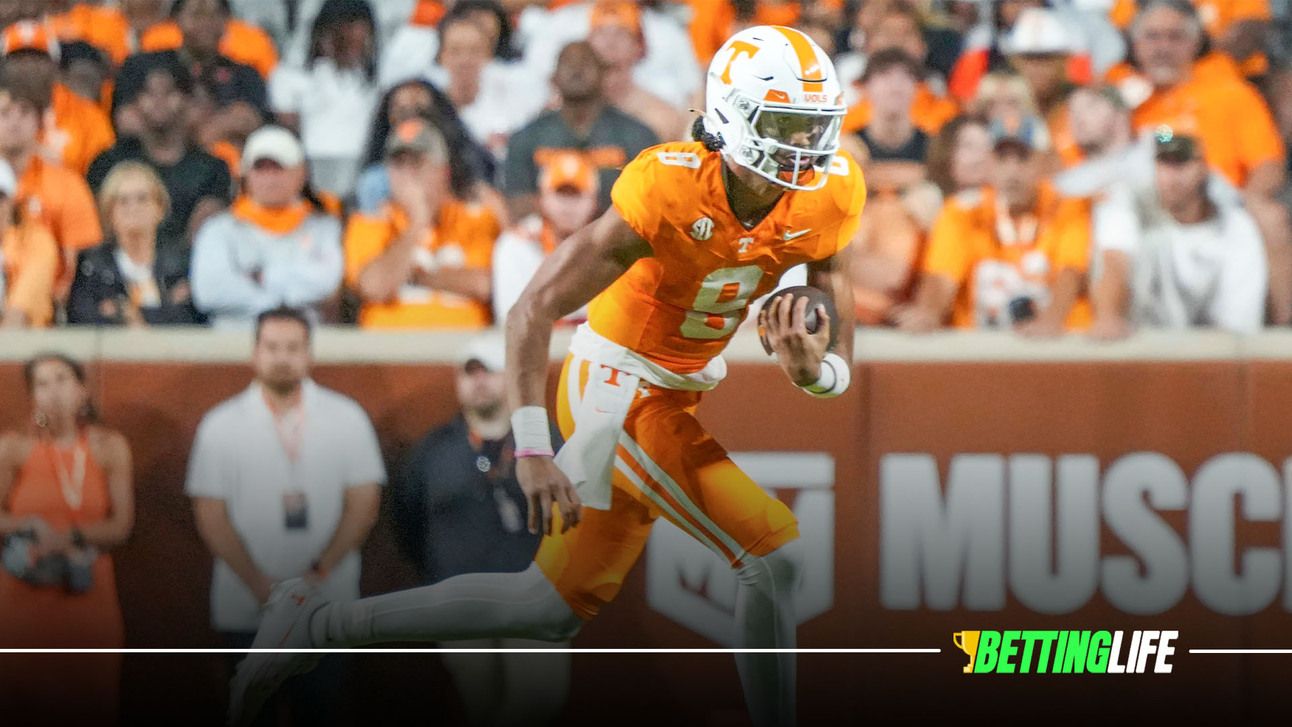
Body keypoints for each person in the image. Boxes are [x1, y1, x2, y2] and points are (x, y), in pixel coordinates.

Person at [231, 25, 865, 727]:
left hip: (675, 389)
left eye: (813, 127)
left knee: (545, 608)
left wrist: (819, 372)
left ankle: (316, 624)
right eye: (783, 125)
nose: (804, 147)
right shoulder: (669, 188)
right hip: (618, 386)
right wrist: (531, 446)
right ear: (731, 118)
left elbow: (832, 286)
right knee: (773, 558)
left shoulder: (830, 192)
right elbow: (532, 308)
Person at [187, 306, 384, 727]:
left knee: (323, 713)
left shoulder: (346, 418)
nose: (282, 358)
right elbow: (210, 515)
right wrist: (259, 584)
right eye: (272, 347)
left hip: (326, 605)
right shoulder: (220, 425)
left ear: (310, 353)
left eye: (293, 348)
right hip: (246, 605)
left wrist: (320, 572)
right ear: (254, 353)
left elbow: (364, 503)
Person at [392, 334, 570, 727]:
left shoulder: (546, 444)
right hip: (459, 600)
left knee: (539, 697)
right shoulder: (433, 451)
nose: (479, 381)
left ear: (510, 376)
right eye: (469, 372)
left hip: (532, 597)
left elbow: (575, 511)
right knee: (479, 702)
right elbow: (407, 518)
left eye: (488, 371)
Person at [1116, 0, 1291, 322]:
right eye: (1152, 37)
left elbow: (1268, 165)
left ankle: (1282, 332)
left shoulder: (1229, 92)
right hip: (1148, 207)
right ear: (1135, 44)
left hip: (1218, 205)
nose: (1163, 48)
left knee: (1271, 216)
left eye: (1175, 37)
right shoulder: (1122, 96)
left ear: (1195, 43)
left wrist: (1246, 200)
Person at [0, 353, 134, 724]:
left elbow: (121, 526)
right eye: (42, 384)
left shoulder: (109, 447)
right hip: (24, 596)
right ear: (32, 396)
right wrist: (28, 524)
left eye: (62, 379)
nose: (54, 392)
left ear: (82, 389)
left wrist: (69, 536)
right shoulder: (14, 447)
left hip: (86, 593)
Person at [893, 119, 1092, 334]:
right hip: (982, 345)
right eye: (1001, 159)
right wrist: (929, 312)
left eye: (1023, 158)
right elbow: (941, 276)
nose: (1012, 172)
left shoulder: (1066, 207)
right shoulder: (963, 211)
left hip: (1051, 344)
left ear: (1044, 163)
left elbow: (1070, 272)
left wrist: (1051, 321)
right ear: (988, 163)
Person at [1090, 129, 1267, 338]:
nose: (1172, 175)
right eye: (1164, 163)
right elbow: (1114, 261)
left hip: (1209, 347)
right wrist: (1109, 316)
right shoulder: (1127, 202)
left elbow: (1238, 326)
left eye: (1181, 163)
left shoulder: (1234, 225)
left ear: (1202, 169)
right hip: (1137, 340)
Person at [345, 118, 503, 329]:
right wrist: (418, 222)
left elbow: (484, 284)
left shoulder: (475, 217)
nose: (408, 175)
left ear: (444, 172)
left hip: (462, 340)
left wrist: (416, 277)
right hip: (390, 343)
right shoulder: (370, 221)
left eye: (417, 163)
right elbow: (374, 287)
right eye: (399, 165)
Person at [191, 125, 344, 327]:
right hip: (232, 339)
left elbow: (327, 283)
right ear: (245, 174)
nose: (270, 178)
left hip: (305, 338)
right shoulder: (218, 230)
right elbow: (209, 292)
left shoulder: (325, 227)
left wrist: (262, 276)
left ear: (302, 172)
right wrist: (276, 305)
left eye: (279, 168)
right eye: (260, 168)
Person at [504, 40, 657, 218]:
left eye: (585, 63)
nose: (576, 69)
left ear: (603, 74)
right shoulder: (527, 137)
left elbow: (647, 201)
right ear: (553, 78)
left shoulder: (637, 135)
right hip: (545, 232)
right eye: (568, 63)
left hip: (615, 231)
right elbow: (518, 202)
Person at [88, 55, 232, 242]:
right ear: (135, 102)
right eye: (148, 93)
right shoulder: (108, 163)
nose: (159, 101)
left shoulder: (212, 170)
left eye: (169, 92)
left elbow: (206, 236)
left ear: (187, 99)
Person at [848, 48, 943, 326]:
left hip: (915, 249)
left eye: (906, 77)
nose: (895, 85)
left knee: (927, 200)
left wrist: (876, 180)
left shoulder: (934, 146)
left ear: (917, 88)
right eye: (884, 76)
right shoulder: (847, 144)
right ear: (865, 87)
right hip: (862, 245)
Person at [68, 162, 203, 326]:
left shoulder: (183, 263)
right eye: (122, 201)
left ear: (160, 208)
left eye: (142, 199)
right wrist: (165, 308)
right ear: (109, 213)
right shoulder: (91, 266)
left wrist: (126, 314)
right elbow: (83, 318)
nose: (133, 208)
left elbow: (191, 318)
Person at [0, 78, 101, 297]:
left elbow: (82, 260)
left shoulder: (66, 183)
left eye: (24, 112)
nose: (14, 122)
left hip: (47, 305)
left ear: (39, 122)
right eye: (5, 113)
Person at [269, 0, 381, 198]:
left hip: (363, 166)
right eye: (346, 35)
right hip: (309, 167)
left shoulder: (375, 83)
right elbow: (286, 127)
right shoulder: (292, 76)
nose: (356, 42)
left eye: (363, 35)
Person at [353, 78, 494, 214]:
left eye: (420, 109)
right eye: (401, 110)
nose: (410, 117)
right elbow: (374, 226)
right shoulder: (376, 182)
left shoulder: (466, 171)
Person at [492, 150, 599, 323]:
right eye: (560, 193)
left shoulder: (607, 244)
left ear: (594, 202)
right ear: (541, 199)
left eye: (576, 194)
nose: (568, 205)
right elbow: (511, 316)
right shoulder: (518, 243)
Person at [430, 4, 546, 163]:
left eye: (474, 51)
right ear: (441, 56)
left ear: (488, 54)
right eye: (455, 51)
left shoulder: (512, 93)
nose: (465, 60)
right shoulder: (429, 99)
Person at [0, 20, 116, 176]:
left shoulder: (87, 115)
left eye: (37, 58)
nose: (28, 67)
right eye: (18, 60)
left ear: (54, 66)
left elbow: (105, 171)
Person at [586, 0, 686, 143]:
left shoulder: (660, 118)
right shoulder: (568, 108)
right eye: (601, 33)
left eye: (621, 34)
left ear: (639, 46)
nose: (610, 42)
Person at [140, 0, 279, 79]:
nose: (205, 23)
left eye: (213, 15)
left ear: (226, 19)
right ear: (177, 18)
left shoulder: (245, 75)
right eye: (196, 15)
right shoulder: (149, 58)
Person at [0, 157, 58, 328]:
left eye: (0, 197)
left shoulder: (36, 241)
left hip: (25, 340)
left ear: (13, 200)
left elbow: (19, 315)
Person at [925, 114, 993, 196]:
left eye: (986, 147)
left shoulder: (1000, 200)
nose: (980, 157)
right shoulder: (926, 197)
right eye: (969, 146)